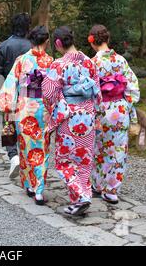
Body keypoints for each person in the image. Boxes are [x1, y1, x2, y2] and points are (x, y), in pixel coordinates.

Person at [41, 26, 101, 216]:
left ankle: (81, 196)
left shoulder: (59, 64)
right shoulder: (90, 63)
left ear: (58, 43)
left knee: (64, 161)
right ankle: (81, 199)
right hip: (88, 115)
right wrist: (95, 112)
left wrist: (55, 108)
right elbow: (97, 92)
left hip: (69, 117)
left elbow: (49, 93)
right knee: (84, 159)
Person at [0, 26, 54, 205]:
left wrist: (7, 107)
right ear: (47, 41)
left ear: (31, 41)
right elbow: (54, 90)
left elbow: (11, 84)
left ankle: (29, 184)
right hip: (43, 109)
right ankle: (39, 190)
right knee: (42, 148)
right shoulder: (51, 62)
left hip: (24, 108)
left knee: (26, 147)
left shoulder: (22, 60)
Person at [89, 25, 140, 204]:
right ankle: (111, 190)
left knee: (98, 148)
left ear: (92, 41)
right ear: (107, 40)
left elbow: (90, 90)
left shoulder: (92, 63)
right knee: (117, 149)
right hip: (119, 110)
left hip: (101, 109)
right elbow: (133, 86)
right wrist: (127, 104)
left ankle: (96, 185)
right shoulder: (120, 60)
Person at [0, 12, 32, 179]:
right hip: (29, 93)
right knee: (27, 124)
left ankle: (13, 155)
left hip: (9, 90)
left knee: (8, 124)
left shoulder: (4, 46)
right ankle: (27, 155)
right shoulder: (32, 46)